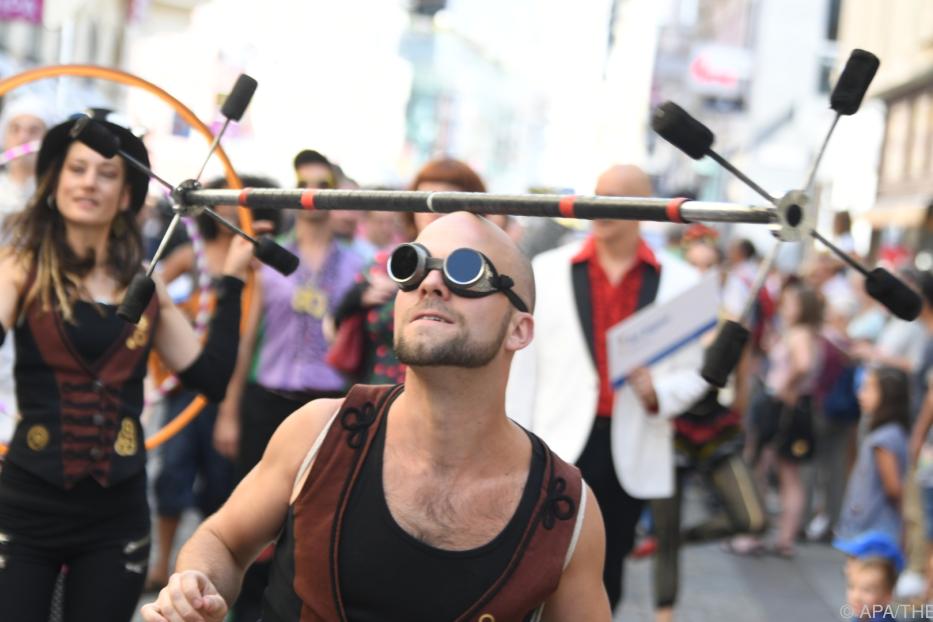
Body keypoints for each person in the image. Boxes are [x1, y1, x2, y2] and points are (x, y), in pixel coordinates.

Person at [141, 212, 610, 622]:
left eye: (467, 271)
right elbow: (222, 539)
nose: (430, 283)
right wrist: (196, 586)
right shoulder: (319, 433)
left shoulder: (565, 511)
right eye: (412, 266)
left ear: (519, 329)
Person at [0, 109, 254, 622]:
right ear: (54, 181)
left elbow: (209, 378)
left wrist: (229, 285)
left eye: (107, 172)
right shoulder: (21, 268)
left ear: (127, 193)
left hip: (117, 516)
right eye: (76, 169)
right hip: (27, 505)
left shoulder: (147, 286)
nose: (89, 182)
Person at [507, 164, 709, 611]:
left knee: (607, 569)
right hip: (555, 442)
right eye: (597, 195)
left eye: (617, 198)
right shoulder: (548, 269)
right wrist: (515, 440)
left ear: (645, 209)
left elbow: (697, 374)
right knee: (535, 563)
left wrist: (656, 389)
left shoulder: (683, 284)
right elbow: (524, 366)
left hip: (631, 442)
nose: (601, 206)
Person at [144, 176, 277, 593]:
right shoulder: (191, 256)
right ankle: (161, 562)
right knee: (172, 476)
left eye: (236, 206)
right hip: (183, 387)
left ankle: (200, 574)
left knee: (219, 487)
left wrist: (230, 412)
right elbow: (150, 291)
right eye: (218, 205)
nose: (228, 214)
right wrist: (181, 316)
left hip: (224, 392)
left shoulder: (253, 268)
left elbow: (243, 344)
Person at [332, 157, 497, 385]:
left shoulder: (482, 269)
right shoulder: (387, 262)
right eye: (424, 201)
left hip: (451, 399)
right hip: (376, 397)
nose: (433, 212)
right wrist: (354, 301)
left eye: (446, 202)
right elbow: (336, 332)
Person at [0, 95, 52, 445]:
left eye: (34, 130)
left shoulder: (56, 197)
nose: (23, 137)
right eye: (16, 128)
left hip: (38, 313)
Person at [838, 366, 910, 543]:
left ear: (888, 394)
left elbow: (893, 488)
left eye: (868, 388)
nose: (860, 394)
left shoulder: (884, 438)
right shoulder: (889, 433)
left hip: (874, 526)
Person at [835, 531, 904, 621]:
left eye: (867, 590)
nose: (856, 597)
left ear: (887, 596)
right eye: (851, 586)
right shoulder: (862, 615)